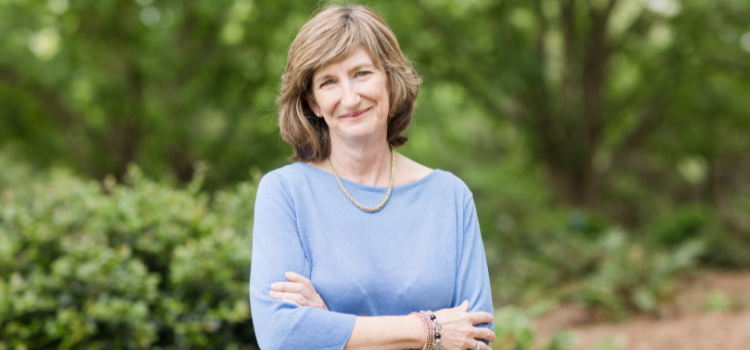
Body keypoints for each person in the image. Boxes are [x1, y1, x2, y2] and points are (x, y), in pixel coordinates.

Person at [249, 4, 495, 350]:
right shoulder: (285, 193)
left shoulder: (450, 197)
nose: (349, 98)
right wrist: (430, 330)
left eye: (362, 73)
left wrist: (330, 325)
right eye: (329, 82)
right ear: (313, 102)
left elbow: (477, 340)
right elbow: (282, 336)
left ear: (391, 81)